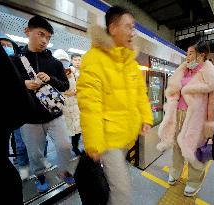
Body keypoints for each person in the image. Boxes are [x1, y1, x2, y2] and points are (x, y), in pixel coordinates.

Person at [76, 6, 153, 205]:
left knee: (116, 186)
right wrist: (93, 141)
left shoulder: (131, 63)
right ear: (113, 28)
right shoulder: (93, 59)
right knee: (123, 190)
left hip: (126, 136)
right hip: (108, 137)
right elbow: (90, 103)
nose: (132, 32)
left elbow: (140, 95)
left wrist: (146, 118)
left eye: (133, 27)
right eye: (128, 27)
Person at [12, 15, 74, 193]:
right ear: (28, 32)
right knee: (35, 153)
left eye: (48, 37)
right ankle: (40, 174)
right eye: (41, 34)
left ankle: (63, 171)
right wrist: (23, 84)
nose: (44, 40)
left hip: (55, 114)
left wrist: (51, 78)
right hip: (29, 118)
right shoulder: (16, 60)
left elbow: (65, 85)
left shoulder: (54, 62)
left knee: (64, 145)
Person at [157, 41, 214, 196]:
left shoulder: (211, 75)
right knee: (177, 145)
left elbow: (213, 101)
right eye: (187, 53)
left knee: (194, 148)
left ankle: (194, 182)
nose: (187, 56)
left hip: (197, 118)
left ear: (202, 54)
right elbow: (174, 91)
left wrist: (210, 123)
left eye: (191, 53)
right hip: (179, 114)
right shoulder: (184, 70)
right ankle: (175, 171)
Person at [0, 41, 36, 205]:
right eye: (2, 44)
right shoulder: (10, 64)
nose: (6, 47)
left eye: (8, 45)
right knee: (20, 144)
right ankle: (24, 168)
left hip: (18, 115)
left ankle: (27, 169)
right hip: (17, 114)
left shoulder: (22, 61)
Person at [53, 49, 82, 156]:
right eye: (60, 60)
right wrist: (66, 94)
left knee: (77, 128)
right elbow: (52, 90)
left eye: (64, 60)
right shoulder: (53, 73)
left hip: (75, 105)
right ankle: (64, 150)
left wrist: (78, 89)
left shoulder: (73, 71)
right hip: (63, 106)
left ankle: (75, 147)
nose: (63, 62)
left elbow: (81, 84)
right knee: (64, 129)